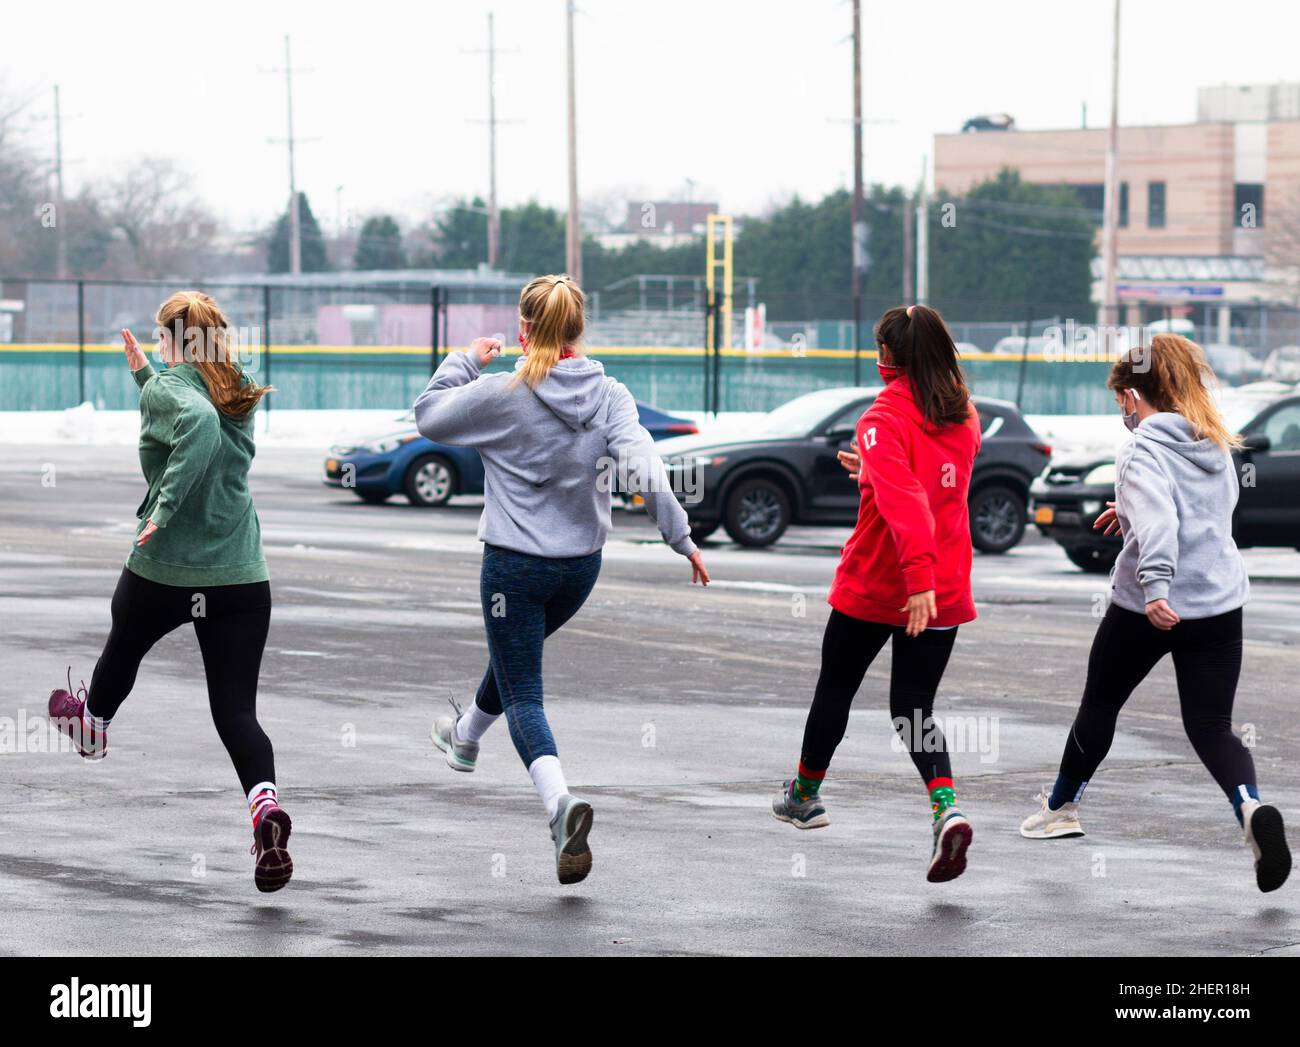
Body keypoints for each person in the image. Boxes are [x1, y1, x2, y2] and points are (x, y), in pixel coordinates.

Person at [415, 274, 709, 885]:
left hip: (513, 567)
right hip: (580, 569)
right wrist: (680, 537)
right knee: (513, 658)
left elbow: (429, 418)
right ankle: (465, 738)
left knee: (524, 692)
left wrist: (465, 361)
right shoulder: (611, 395)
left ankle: (559, 805)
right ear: (579, 329)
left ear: (524, 330)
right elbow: (646, 469)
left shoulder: (501, 392)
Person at [1020, 334, 1291, 894]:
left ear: (1134, 395)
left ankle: (1061, 807)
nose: (1120, 408)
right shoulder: (1213, 441)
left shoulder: (1142, 447)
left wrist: (1156, 585)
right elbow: (1200, 513)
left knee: (1101, 703)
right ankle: (1249, 808)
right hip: (1219, 602)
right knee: (1212, 726)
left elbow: (1165, 525)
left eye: (1121, 396)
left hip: (1150, 606)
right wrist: (1132, 509)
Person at [47, 291, 293, 893]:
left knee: (121, 649)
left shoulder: (172, 395)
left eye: (161, 340)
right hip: (239, 575)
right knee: (236, 712)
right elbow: (192, 401)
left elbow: (194, 422)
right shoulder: (238, 380)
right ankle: (264, 811)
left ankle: (93, 725)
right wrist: (144, 374)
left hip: (165, 570)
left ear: (170, 340)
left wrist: (163, 506)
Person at [772, 305, 981, 882]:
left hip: (883, 583)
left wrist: (915, 579)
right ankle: (946, 809)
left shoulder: (883, 414)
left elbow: (905, 501)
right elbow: (933, 485)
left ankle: (805, 795)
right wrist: (872, 470)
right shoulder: (964, 415)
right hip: (944, 587)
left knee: (835, 687)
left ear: (889, 355)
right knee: (914, 708)